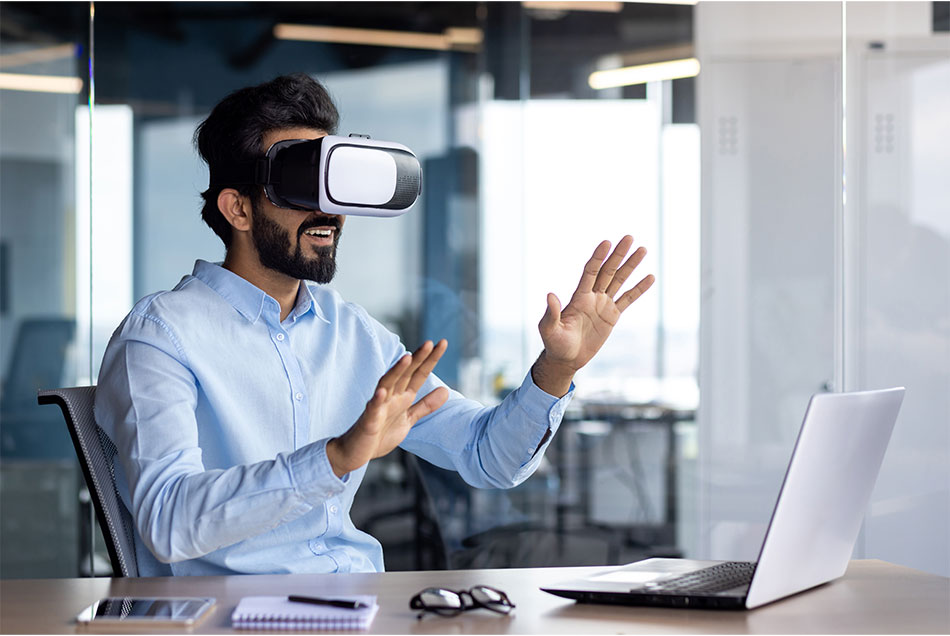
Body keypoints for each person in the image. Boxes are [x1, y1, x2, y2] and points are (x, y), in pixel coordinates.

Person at [95, 73, 655, 576]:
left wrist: (557, 369)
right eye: (300, 183)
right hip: (238, 618)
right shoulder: (161, 336)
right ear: (238, 209)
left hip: (362, 606)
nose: (330, 211)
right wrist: (335, 458)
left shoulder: (352, 334)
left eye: (333, 182)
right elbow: (167, 522)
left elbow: (487, 456)